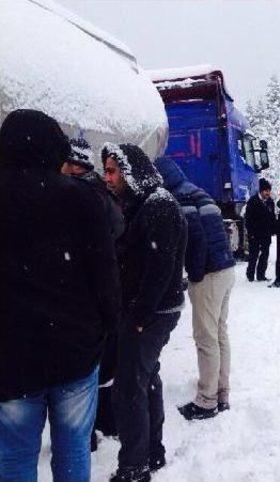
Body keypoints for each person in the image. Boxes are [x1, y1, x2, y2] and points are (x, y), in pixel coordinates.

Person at [0, 109, 120, 482]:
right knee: (73, 449)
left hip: (11, 360)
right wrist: (108, 333)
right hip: (75, 353)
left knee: (15, 457)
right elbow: (106, 278)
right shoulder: (83, 199)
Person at [102, 144, 187, 482]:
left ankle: (134, 467)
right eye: (106, 170)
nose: (108, 178)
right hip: (149, 309)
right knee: (145, 378)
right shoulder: (144, 203)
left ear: (130, 170)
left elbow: (160, 266)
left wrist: (138, 315)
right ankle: (152, 452)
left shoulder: (159, 205)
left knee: (128, 386)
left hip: (153, 312)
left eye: (112, 171)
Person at [154, 157, 236, 421]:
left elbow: (196, 239)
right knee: (220, 332)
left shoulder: (180, 200)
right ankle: (221, 392)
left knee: (205, 337)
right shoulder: (200, 193)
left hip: (209, 275)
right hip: (226, 269)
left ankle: (206, 400)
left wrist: (196, 274)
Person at [61, 137, 125, 452]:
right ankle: (104, 423)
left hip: (86, 294)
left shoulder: (81, 195)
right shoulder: (101, 193)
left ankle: (89, 432)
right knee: (100, 362)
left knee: (87, 368)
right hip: (99, 292)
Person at [244, 178, 276, 282]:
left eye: (269, 191)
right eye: (266, 191)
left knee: (265, 255)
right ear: (261, 191)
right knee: (253, 255)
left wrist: (273, 229)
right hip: (255, 234)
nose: (268, 193)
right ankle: (250, 275)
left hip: (266, 234)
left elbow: (272, 217)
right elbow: (248, 219)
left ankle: (261, 275)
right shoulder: (252, 202)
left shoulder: (270, 202)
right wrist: (251, 233)